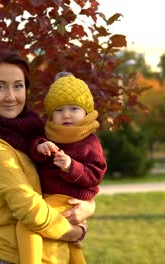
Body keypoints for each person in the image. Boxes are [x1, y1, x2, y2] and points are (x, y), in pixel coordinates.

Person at [0, 49, 94, 264]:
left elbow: (62, 183)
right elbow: (31, 211)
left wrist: (88, 205)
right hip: (17, 258)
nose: (11, 97)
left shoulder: (30, 136)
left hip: (54, 253)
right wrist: (77, 232)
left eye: (18, 86)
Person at [16, 73, 107, 264]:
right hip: (49, 196)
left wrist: (71, 167)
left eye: (74, 109)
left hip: (69, 198)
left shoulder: (89, 140)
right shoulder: (49, 134)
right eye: (59, 110)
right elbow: (34, 152)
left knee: (28, 225)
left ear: (86, 111)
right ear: (51, 114)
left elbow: (96, 174)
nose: (66, 115)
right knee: (69, 245)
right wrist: (39, 147)